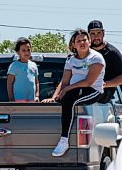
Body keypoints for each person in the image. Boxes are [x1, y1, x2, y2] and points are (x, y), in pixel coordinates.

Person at [42, 29, 105, 157]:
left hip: (93, 90)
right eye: (78, 41)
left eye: (84, 40)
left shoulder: (96, 58)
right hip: (73, 90)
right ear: (73, 44)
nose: (82, 43)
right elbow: (64, 81)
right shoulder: (71, 59)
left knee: (70, 100)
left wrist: (67, 90)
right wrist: (54, 97)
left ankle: (64, 140)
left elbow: (88, 82)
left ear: (89, 42)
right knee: (66, 99)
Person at [88, 20, 122, 109]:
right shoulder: (84, 52)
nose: (96, 36)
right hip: (85, 94)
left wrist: (104, 84)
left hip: (107, 98)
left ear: (103, 33)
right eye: (93, 33)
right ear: (88, 35)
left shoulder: (113, 53)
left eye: (98, 33)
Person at [7, 37, 39, 102]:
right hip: (18, 101)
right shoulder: (14, 66)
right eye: (23, 50)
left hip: (32, 101)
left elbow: (36, 82)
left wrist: (37, 96)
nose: (26, 52)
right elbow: (9, 83)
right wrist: (11, 99)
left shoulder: (34, 65)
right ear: (18, 52)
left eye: (28, 50)